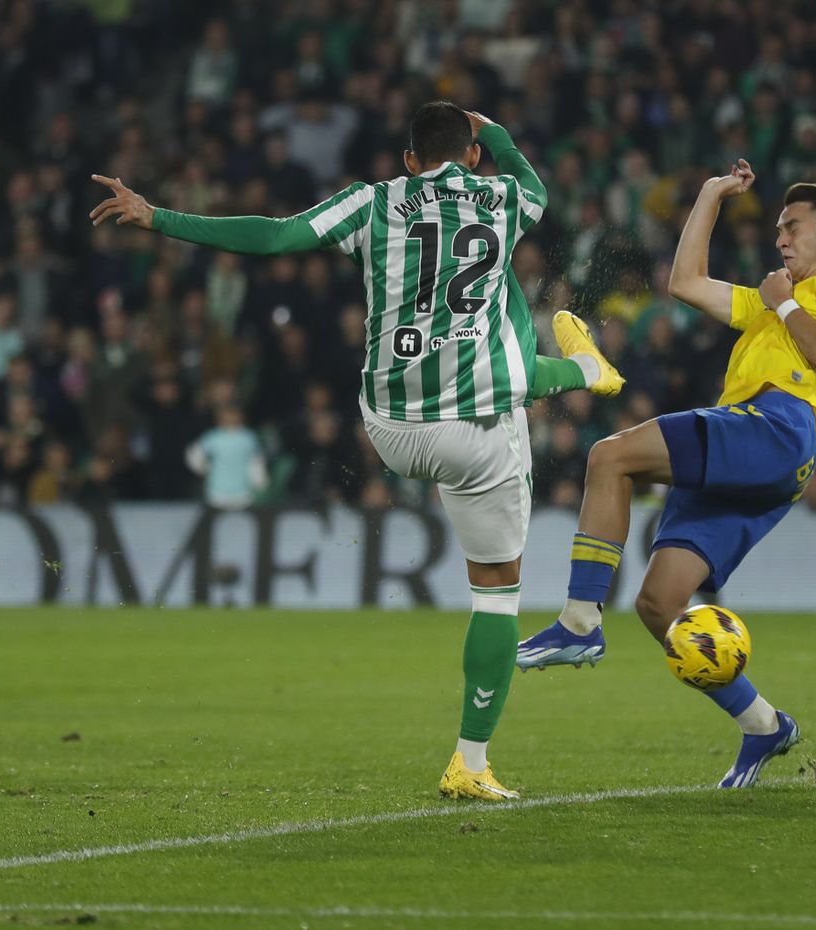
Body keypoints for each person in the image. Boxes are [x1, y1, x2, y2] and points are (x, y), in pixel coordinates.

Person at [89, 101, 622, 801]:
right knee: (497, 591)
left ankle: (566, 367)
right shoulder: (502, 197)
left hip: (391, 430)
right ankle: (470, 762)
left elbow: (274, 236)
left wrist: (159, 216)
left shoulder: (371, 203)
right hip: (478, 432)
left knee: (496, 333)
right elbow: (532, 182)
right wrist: (491, 131)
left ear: (408, 160)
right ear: (470, 156)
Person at [515, 161, 816, 788]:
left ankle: (578, 623)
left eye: (791, 226)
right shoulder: (769, 302)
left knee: (609, 456)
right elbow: (685, 282)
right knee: (660, 604)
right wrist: (710, 194)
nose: (780, 238)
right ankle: (764, 724)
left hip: (774, 428)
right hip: (750, 451)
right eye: (778, 228)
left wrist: (784, 300)